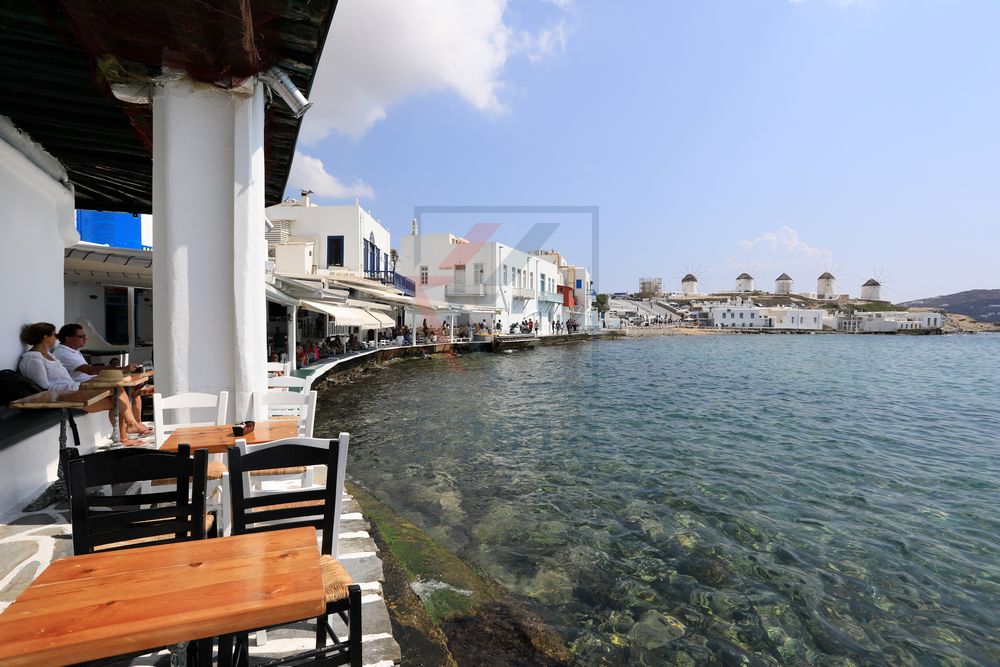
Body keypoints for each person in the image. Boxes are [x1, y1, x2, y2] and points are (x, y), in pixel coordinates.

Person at [19, 323, 145, 445]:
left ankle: (125, 438)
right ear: (45, 337)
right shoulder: (33, 359)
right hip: (63, 396)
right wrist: (76, 386)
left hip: (72, 391)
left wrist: (75, 386)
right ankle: (132, 425)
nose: (56, 337)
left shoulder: (50, 355)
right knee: (116, 390)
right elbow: (43, 387)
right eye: (54, 335)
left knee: (116, 402)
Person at [52, 324, 151, 437]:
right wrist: (122, 369)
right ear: (68, 338)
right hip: (80, 389)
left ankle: (136, 424)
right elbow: (89, 370)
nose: (85, 339)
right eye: (81, 336)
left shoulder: (73, 351)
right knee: (118, 395)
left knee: (134, 391)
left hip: (90, 385)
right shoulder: (63, 353)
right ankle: (127, 433)